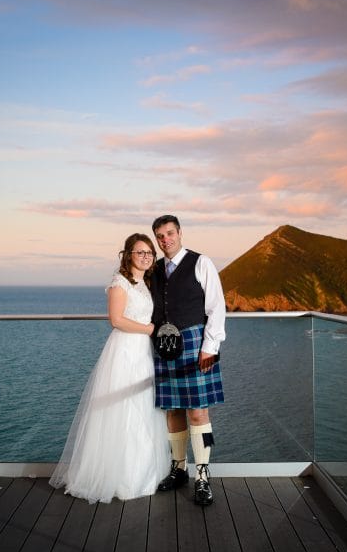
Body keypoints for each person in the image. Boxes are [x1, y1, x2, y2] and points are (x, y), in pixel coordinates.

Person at [49, 234, 169, 503]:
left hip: (143, 352)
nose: (146, 256)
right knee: (123, 411)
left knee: (142, 410)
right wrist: (150, 329)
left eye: (149, 252)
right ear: (128, 255)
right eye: (140, 252)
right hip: (125, 351)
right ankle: (121, 478)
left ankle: (142, 474)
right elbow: (116, 320)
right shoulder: (119, 283)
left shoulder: (145, 283)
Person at [150, 215, 226, 506]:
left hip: (195, 344)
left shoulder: (201, 262)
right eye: (160, 236)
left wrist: (210, 346)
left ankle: (203, 476)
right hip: (164, 346)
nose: (165, 240)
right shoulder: (155, 269)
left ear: (180, 233)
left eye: (169, 233)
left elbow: (216, 306)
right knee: (173, 411)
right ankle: (179, 468)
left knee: (198, 413)